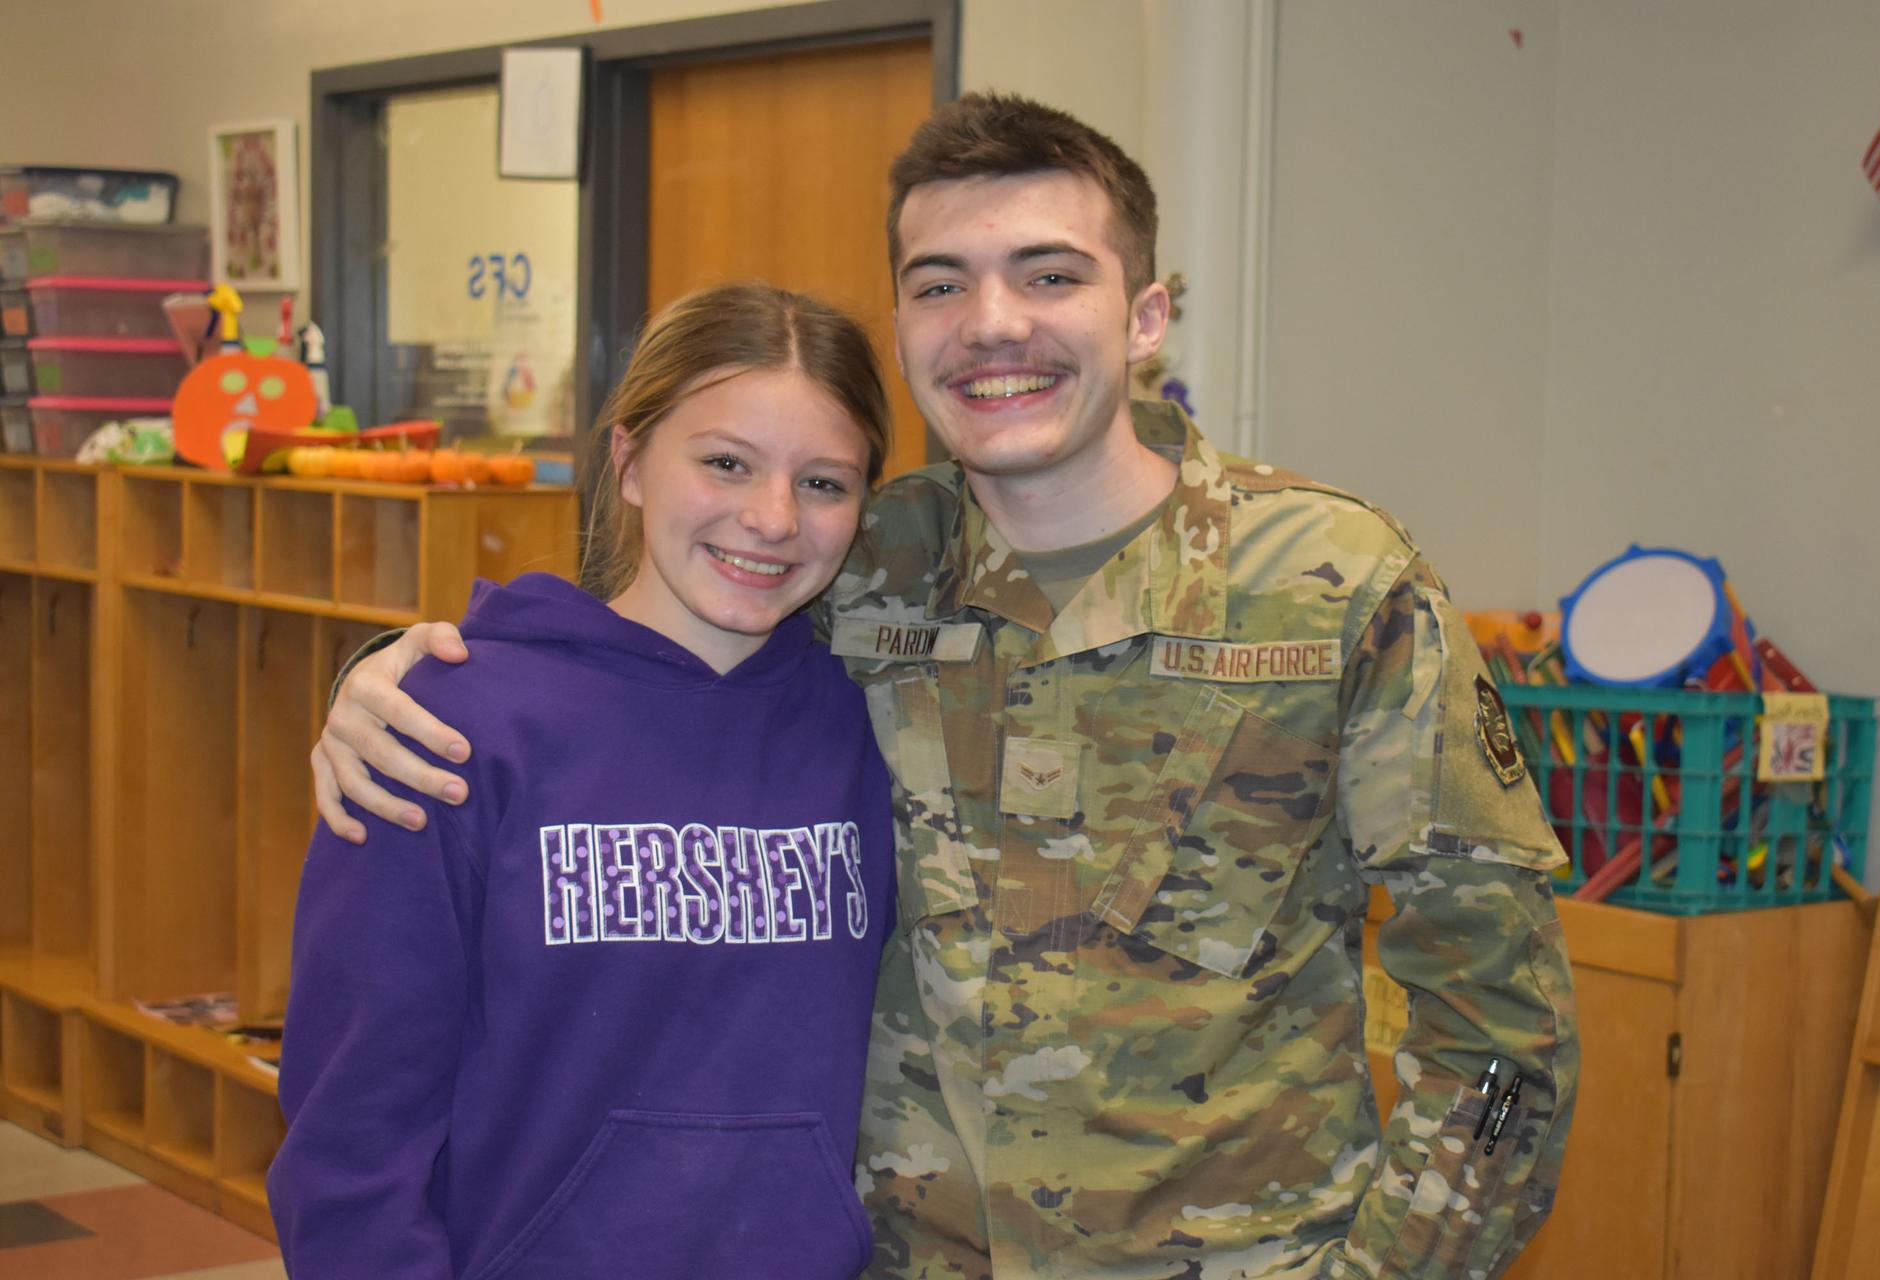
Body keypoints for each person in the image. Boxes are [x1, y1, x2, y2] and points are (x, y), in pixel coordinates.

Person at [313, 95, 1579, 1280]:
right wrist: (385, 676)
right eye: (940, 284)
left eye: (1049, 274)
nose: (992, 323)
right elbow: (637, 659)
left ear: (1145, 317)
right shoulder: (861, 566)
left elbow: (1501, 1027)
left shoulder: (1334, 587)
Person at [268, 282, 898, 1279]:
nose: (773, 516)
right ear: (631, 460)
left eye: (825, 482)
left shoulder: (875, 722)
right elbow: (352, 1129)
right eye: (726, 462)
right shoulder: (447, 724)